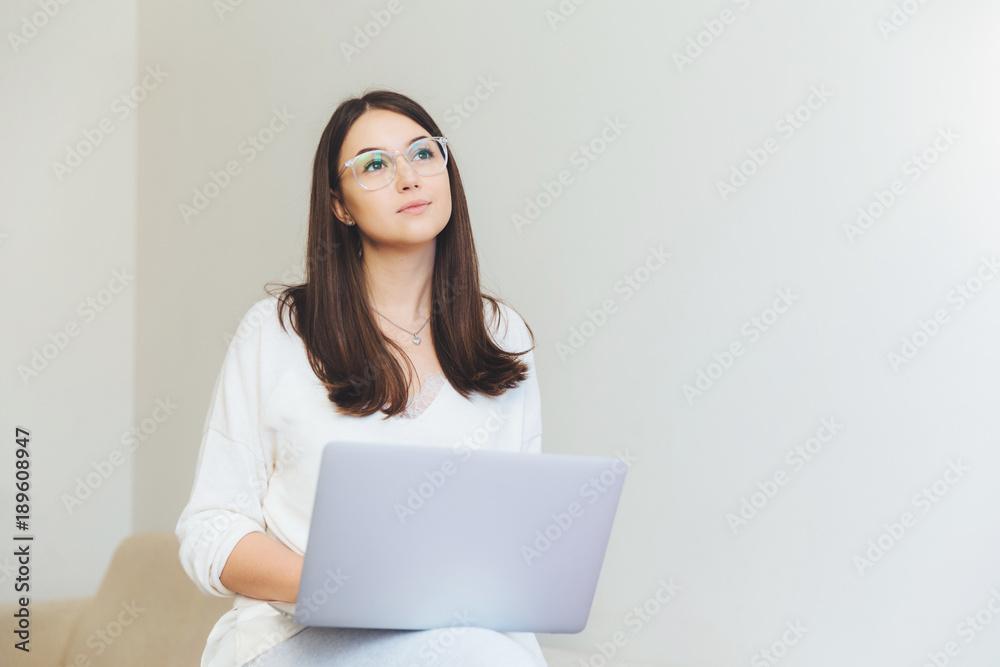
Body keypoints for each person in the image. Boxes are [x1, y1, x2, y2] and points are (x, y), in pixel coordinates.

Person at [174, 89, 548, 667]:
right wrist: (340, 586)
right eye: (374, 164)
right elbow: (210, 529)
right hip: (302, 637)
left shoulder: (503, 334)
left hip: (465, 636)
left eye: (423, 154)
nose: (407, 177)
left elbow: (514, 530)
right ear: (340, 206)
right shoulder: (279, 333)